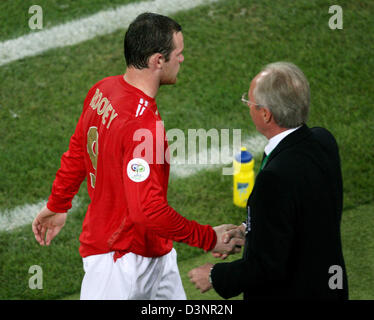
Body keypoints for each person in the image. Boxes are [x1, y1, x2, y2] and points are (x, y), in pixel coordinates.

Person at [32, 12, 243, 300]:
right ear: (158, 60)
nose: (181, 60)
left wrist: (58, 204)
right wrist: (209, 238)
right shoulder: (142, 127)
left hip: (155, 251)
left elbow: (77, 149)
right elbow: (147, 210)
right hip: (120, 262)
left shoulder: (102, 90)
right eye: (178, 54)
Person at [188, 62, 349, 300]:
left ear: (266, 114)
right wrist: (249, 229)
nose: (247, 107)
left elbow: (266, 267)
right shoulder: (323, 141)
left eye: (249, 102)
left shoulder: (274, 179)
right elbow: (300, 213)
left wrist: (214, 275)